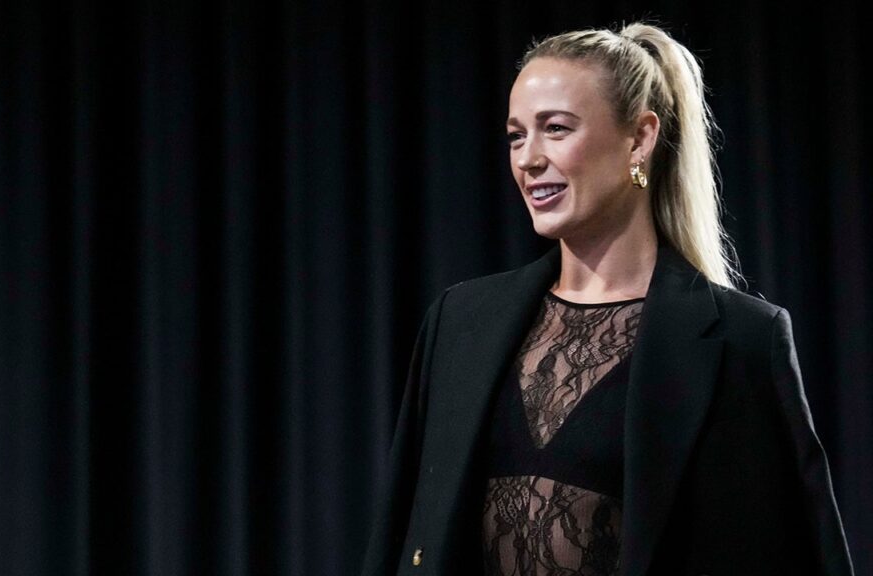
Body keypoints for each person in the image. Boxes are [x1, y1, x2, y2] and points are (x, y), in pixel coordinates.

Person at [361, 22, 853, 576]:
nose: (528, 159)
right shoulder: (459, 321)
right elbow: (400, 534)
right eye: (517, 136)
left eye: (556, 129)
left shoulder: (743, 341)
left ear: (639, 138)